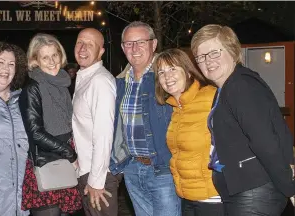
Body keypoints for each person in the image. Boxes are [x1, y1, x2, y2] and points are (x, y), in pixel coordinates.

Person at [191, 24, 294, 215]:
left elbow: (266, 140)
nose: (207, 61)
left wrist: (289, 187)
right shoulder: (225, 89)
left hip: (254, 191)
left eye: (214, 53)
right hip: (242, 190)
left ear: (232, 50)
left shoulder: (240, 85)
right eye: (201, 57)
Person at [109, 21, 181, 216]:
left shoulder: (167, 77)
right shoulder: (119, 82)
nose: (135, 48)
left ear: (154, 44)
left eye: (141, 42)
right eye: (129, 43)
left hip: (163, 169)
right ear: (123, 48)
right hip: (132, 168)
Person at [154, 48, 223, 215]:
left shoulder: (211, 98)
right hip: (188, 196)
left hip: (213, 197)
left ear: (188, 72)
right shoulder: (177, 108)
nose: (167, 76)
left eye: (172, 69)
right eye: (161, 72)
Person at [20, 33, 82, 216]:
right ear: (35, 61)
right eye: (45, 57)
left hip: (66, 163)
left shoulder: (63, 85)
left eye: (54, 55)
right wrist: (70, 154)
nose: (52, 61)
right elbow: (36, 133)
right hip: (47, 164)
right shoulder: (32, 89)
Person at [72, 28, 118, 216]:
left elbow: (104, 133)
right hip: (87, 171)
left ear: (100, 52)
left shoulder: (99, 81)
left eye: (90, 44)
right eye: (79, 42)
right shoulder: (85, 77)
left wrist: (96, 181)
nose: (82, 48)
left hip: (99, 176)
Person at [0, 42, 30, 216]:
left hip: (23, 199)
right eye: (0, 62)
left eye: (11, 64)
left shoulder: (24, 101)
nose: (6, 68)